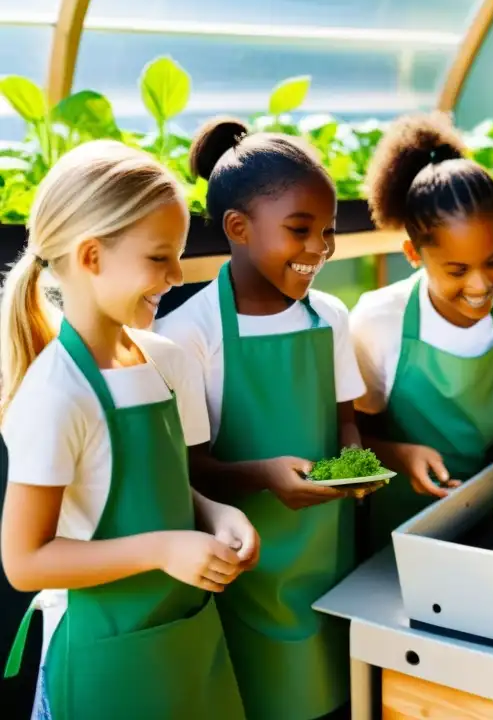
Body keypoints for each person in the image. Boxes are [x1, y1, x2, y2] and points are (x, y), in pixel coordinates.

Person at [0, 141, 256, 720]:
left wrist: (214, 513)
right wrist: (164, 548)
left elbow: (164, 487)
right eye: (159, 257)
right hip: (100, 659)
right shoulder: (55, 394)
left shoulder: (168, 363)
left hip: (184, 644)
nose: (176, 275)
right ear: (92, 256)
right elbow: (25, 561)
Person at [155, 119, 372, 720]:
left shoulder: (328, 314)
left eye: (327, 232)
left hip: (330, 553)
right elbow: (190, 471)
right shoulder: (186, 334)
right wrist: (266, 475)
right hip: (243, 564)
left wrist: (355, 467)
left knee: (336, 694)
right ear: (238, 228)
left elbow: (345, 422)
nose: (319, 250)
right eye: (300, 231)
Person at [350, 111, 493, 552]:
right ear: (414, 253)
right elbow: (353, 442)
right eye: (456, 270)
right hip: (405, 525)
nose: (480, 284)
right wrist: (400, 455)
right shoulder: (377, 321)